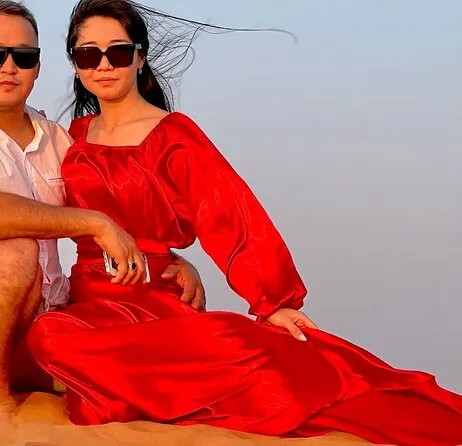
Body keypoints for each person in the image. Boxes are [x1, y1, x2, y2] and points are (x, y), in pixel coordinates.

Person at [23, 1, 462, 445]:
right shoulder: (72, 136)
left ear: (140, 57)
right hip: (90, 305)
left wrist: (273, 299)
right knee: (50, 337)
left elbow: (228, 212)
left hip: (155, 302)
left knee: (249, 357)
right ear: (74, 64)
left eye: (117, 52)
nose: (103, 65)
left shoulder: (174, 134)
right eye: (88, 54)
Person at [0, 0, 206, 423]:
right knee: (16, 252)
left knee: (161, 366)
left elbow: (115, 203)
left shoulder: (57, 139)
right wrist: (94, 223)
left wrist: (166, 259)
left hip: (48, 321)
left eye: (23, 57)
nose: (8, 67)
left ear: (38, 67)